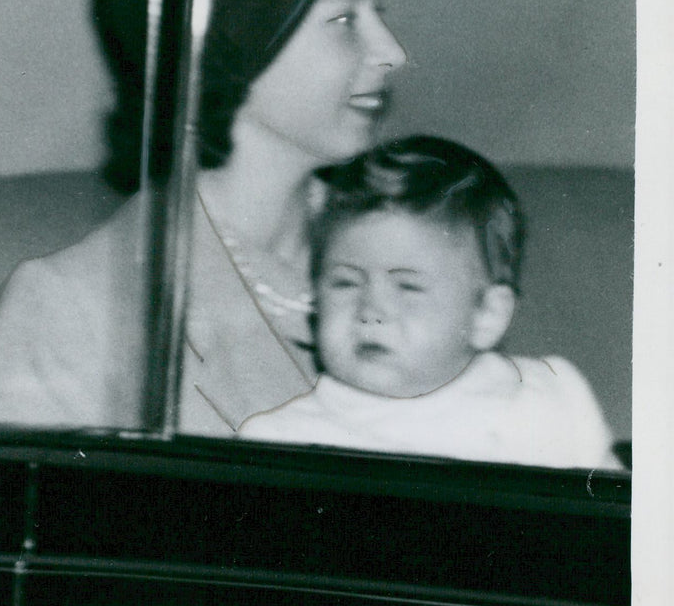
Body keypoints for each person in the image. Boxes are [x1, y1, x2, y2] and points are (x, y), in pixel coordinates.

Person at [0, 0, 407, 435]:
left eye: (378, 11)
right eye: (344, 19)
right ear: (235, 46)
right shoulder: (75, 309)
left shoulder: (414, 241)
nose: (391, 51)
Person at [239, 136, 622, 469]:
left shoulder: (547, 401)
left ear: (486, 315)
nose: (371, 312)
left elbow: (618, 532)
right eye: (345, 283)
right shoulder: (280, 441)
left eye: (408, 287)